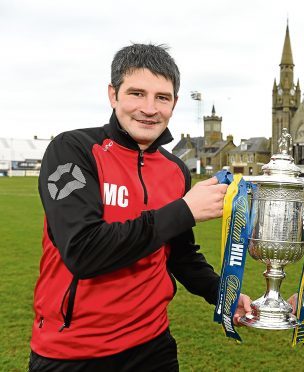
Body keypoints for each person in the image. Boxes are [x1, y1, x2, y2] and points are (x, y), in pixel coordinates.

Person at [29, 43, 251, 371]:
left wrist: (223, 293)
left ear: (174, 103)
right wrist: (185, 210)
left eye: (162, 97)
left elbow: (179, 254)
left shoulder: (175, 170)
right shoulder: (72, 150)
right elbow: (83, 252)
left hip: (153, 345)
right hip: (72, 351)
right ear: (113, 95)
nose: (149, 108)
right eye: (136, 93)